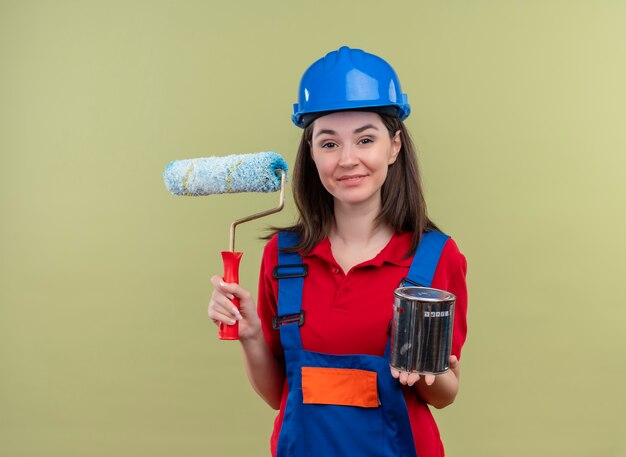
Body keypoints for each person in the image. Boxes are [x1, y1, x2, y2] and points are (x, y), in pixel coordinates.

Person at [208, 46, 468, 457]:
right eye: (329, 144)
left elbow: (444, 395)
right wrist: (251, 334)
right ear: (311, 153)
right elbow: (280, 394)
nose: (348, 160)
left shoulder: (435, 258)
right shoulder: (284, 257)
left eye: (365, 139)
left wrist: (421, 371)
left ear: (394, 146)